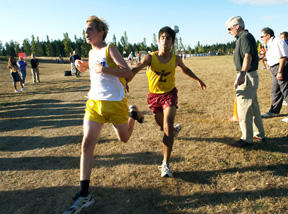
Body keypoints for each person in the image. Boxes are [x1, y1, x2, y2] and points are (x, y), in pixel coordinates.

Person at [63, 16, 144, 214]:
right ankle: (84, 194)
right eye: (85, 30)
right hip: (94, 103)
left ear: (101, 31)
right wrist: (86, 67)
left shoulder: (111, 49)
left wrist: (104, 69)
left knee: (124, 139)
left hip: (115, 103)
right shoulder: (91, 52)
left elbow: (128, 73)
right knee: (87, 144)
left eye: (90, 29)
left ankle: (132, 115)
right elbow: (96, 68)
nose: (86, 33)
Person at [129, 26, 206, 177]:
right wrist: (126, 80)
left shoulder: (175, 58)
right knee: (162, 127)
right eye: (162, 38)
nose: (165, 40)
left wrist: (197, 79)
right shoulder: (150, 58)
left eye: (168, 38)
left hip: (169, 94)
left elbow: (185, 69)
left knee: (168, 124)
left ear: (172, 42)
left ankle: (165, 163)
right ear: (158, 41)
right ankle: (172, 131)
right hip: (154, 97)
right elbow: (136, 69)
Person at [225, 16, 265, 147]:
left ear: (237, 26)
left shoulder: (244, 37)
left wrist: (241, 74)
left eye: (229, 28)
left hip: (247, 75)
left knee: (244, 109)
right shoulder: (243, 38)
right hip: (248, 74)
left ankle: (246, 139)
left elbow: (248, 55)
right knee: (253, 107)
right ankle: (258, 134)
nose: (228, 31)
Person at [260, 28, 288, 123]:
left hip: (281, 68)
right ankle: (274, 111)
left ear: (268, 35)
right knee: (275, 91)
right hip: (274, 69)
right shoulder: (270, 44)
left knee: (286, 91)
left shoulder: (278, 41)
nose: (261, 38)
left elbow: (283, 57)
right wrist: (260, 58)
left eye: (262, 36)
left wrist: (280, 72)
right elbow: (272, 56)